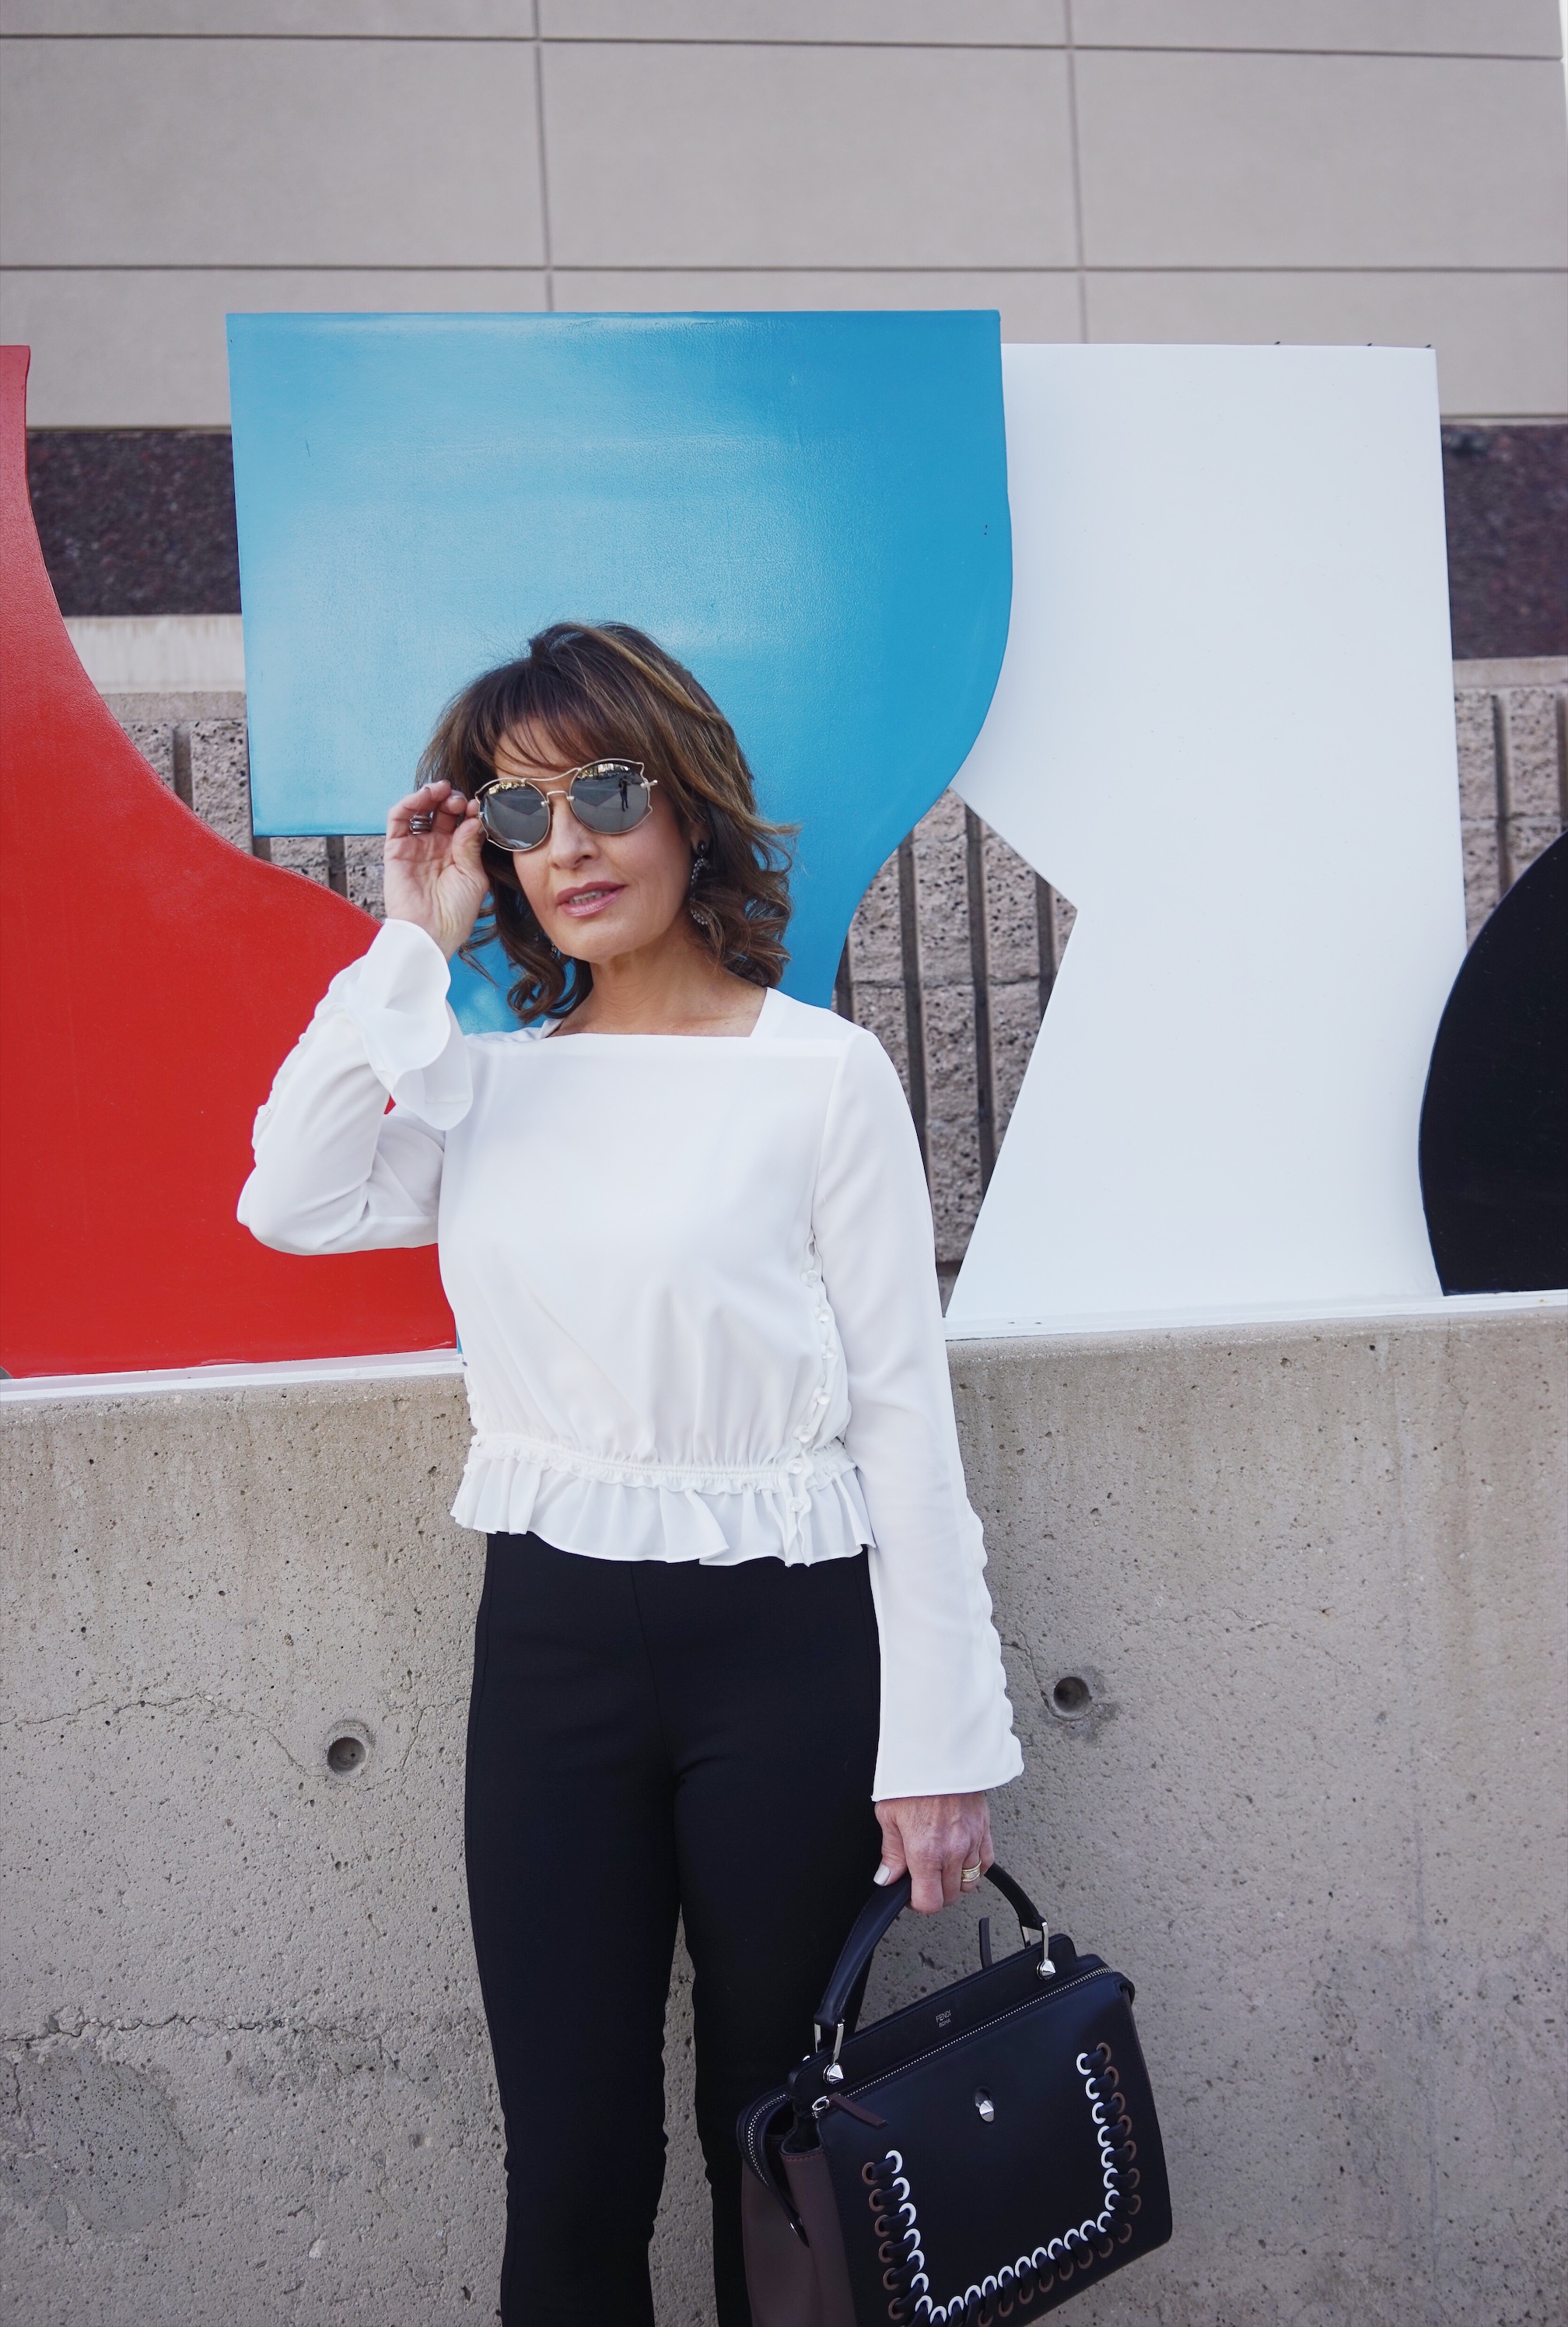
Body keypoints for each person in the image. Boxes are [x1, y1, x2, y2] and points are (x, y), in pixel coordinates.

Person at [238, 622, 1022, 2325]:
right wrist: (406, 941)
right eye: (518, 819)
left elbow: (902, 1409)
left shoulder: (821, 1076)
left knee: (781, 2157)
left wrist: (943, 1736)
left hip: (795, 1658)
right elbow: (289, 1195)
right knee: (571, 2166)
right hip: (555, 1652)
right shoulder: (482, 1091)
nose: (568, 846)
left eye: (603, 793)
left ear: (687, 809)